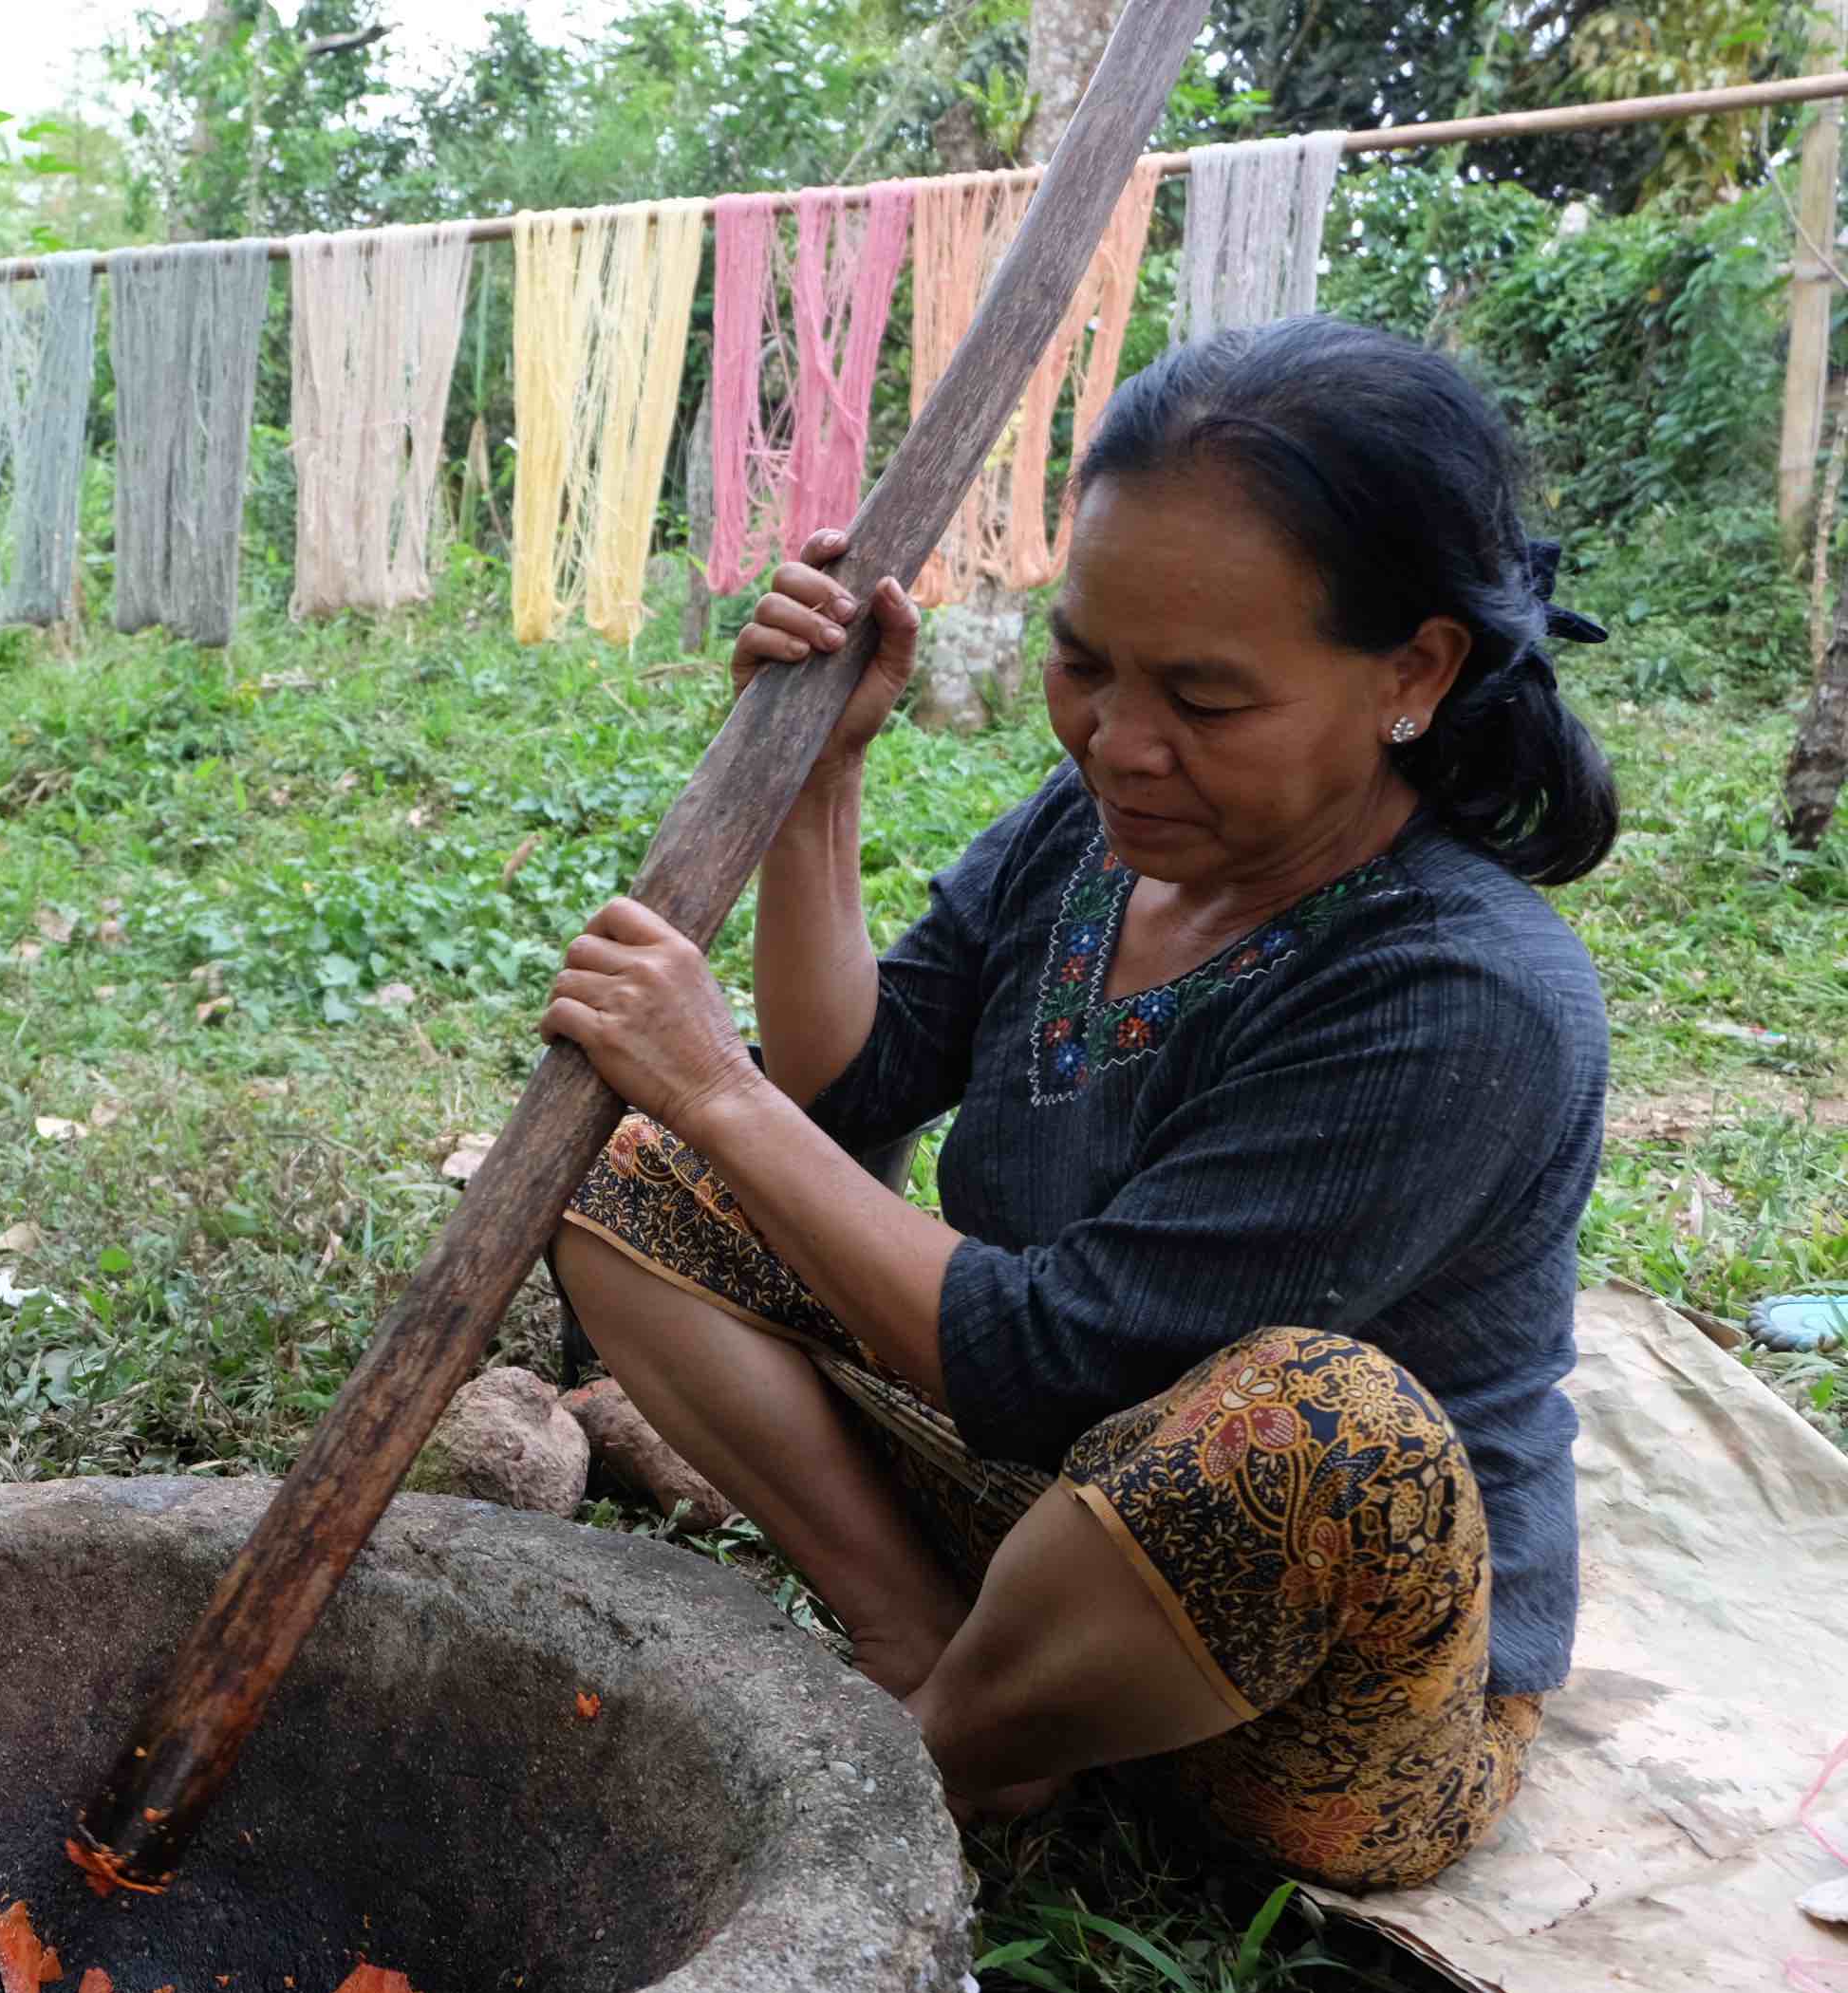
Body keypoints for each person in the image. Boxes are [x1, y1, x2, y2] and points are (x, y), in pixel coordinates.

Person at [538, 318, 1614, 1891]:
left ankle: (930, 1765)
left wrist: (713, 1080)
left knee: (1313, 1424)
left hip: (1325, 1696)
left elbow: (1053, 1360)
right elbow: (852, 1080)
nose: (1120, 742)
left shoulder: (1466, 997)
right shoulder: (1100, 828)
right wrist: (815, 777)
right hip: (1049, 1518)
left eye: (1208, 699)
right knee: (635, 1172)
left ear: (1414, 672)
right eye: (1083, 661)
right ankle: (930, 1643)